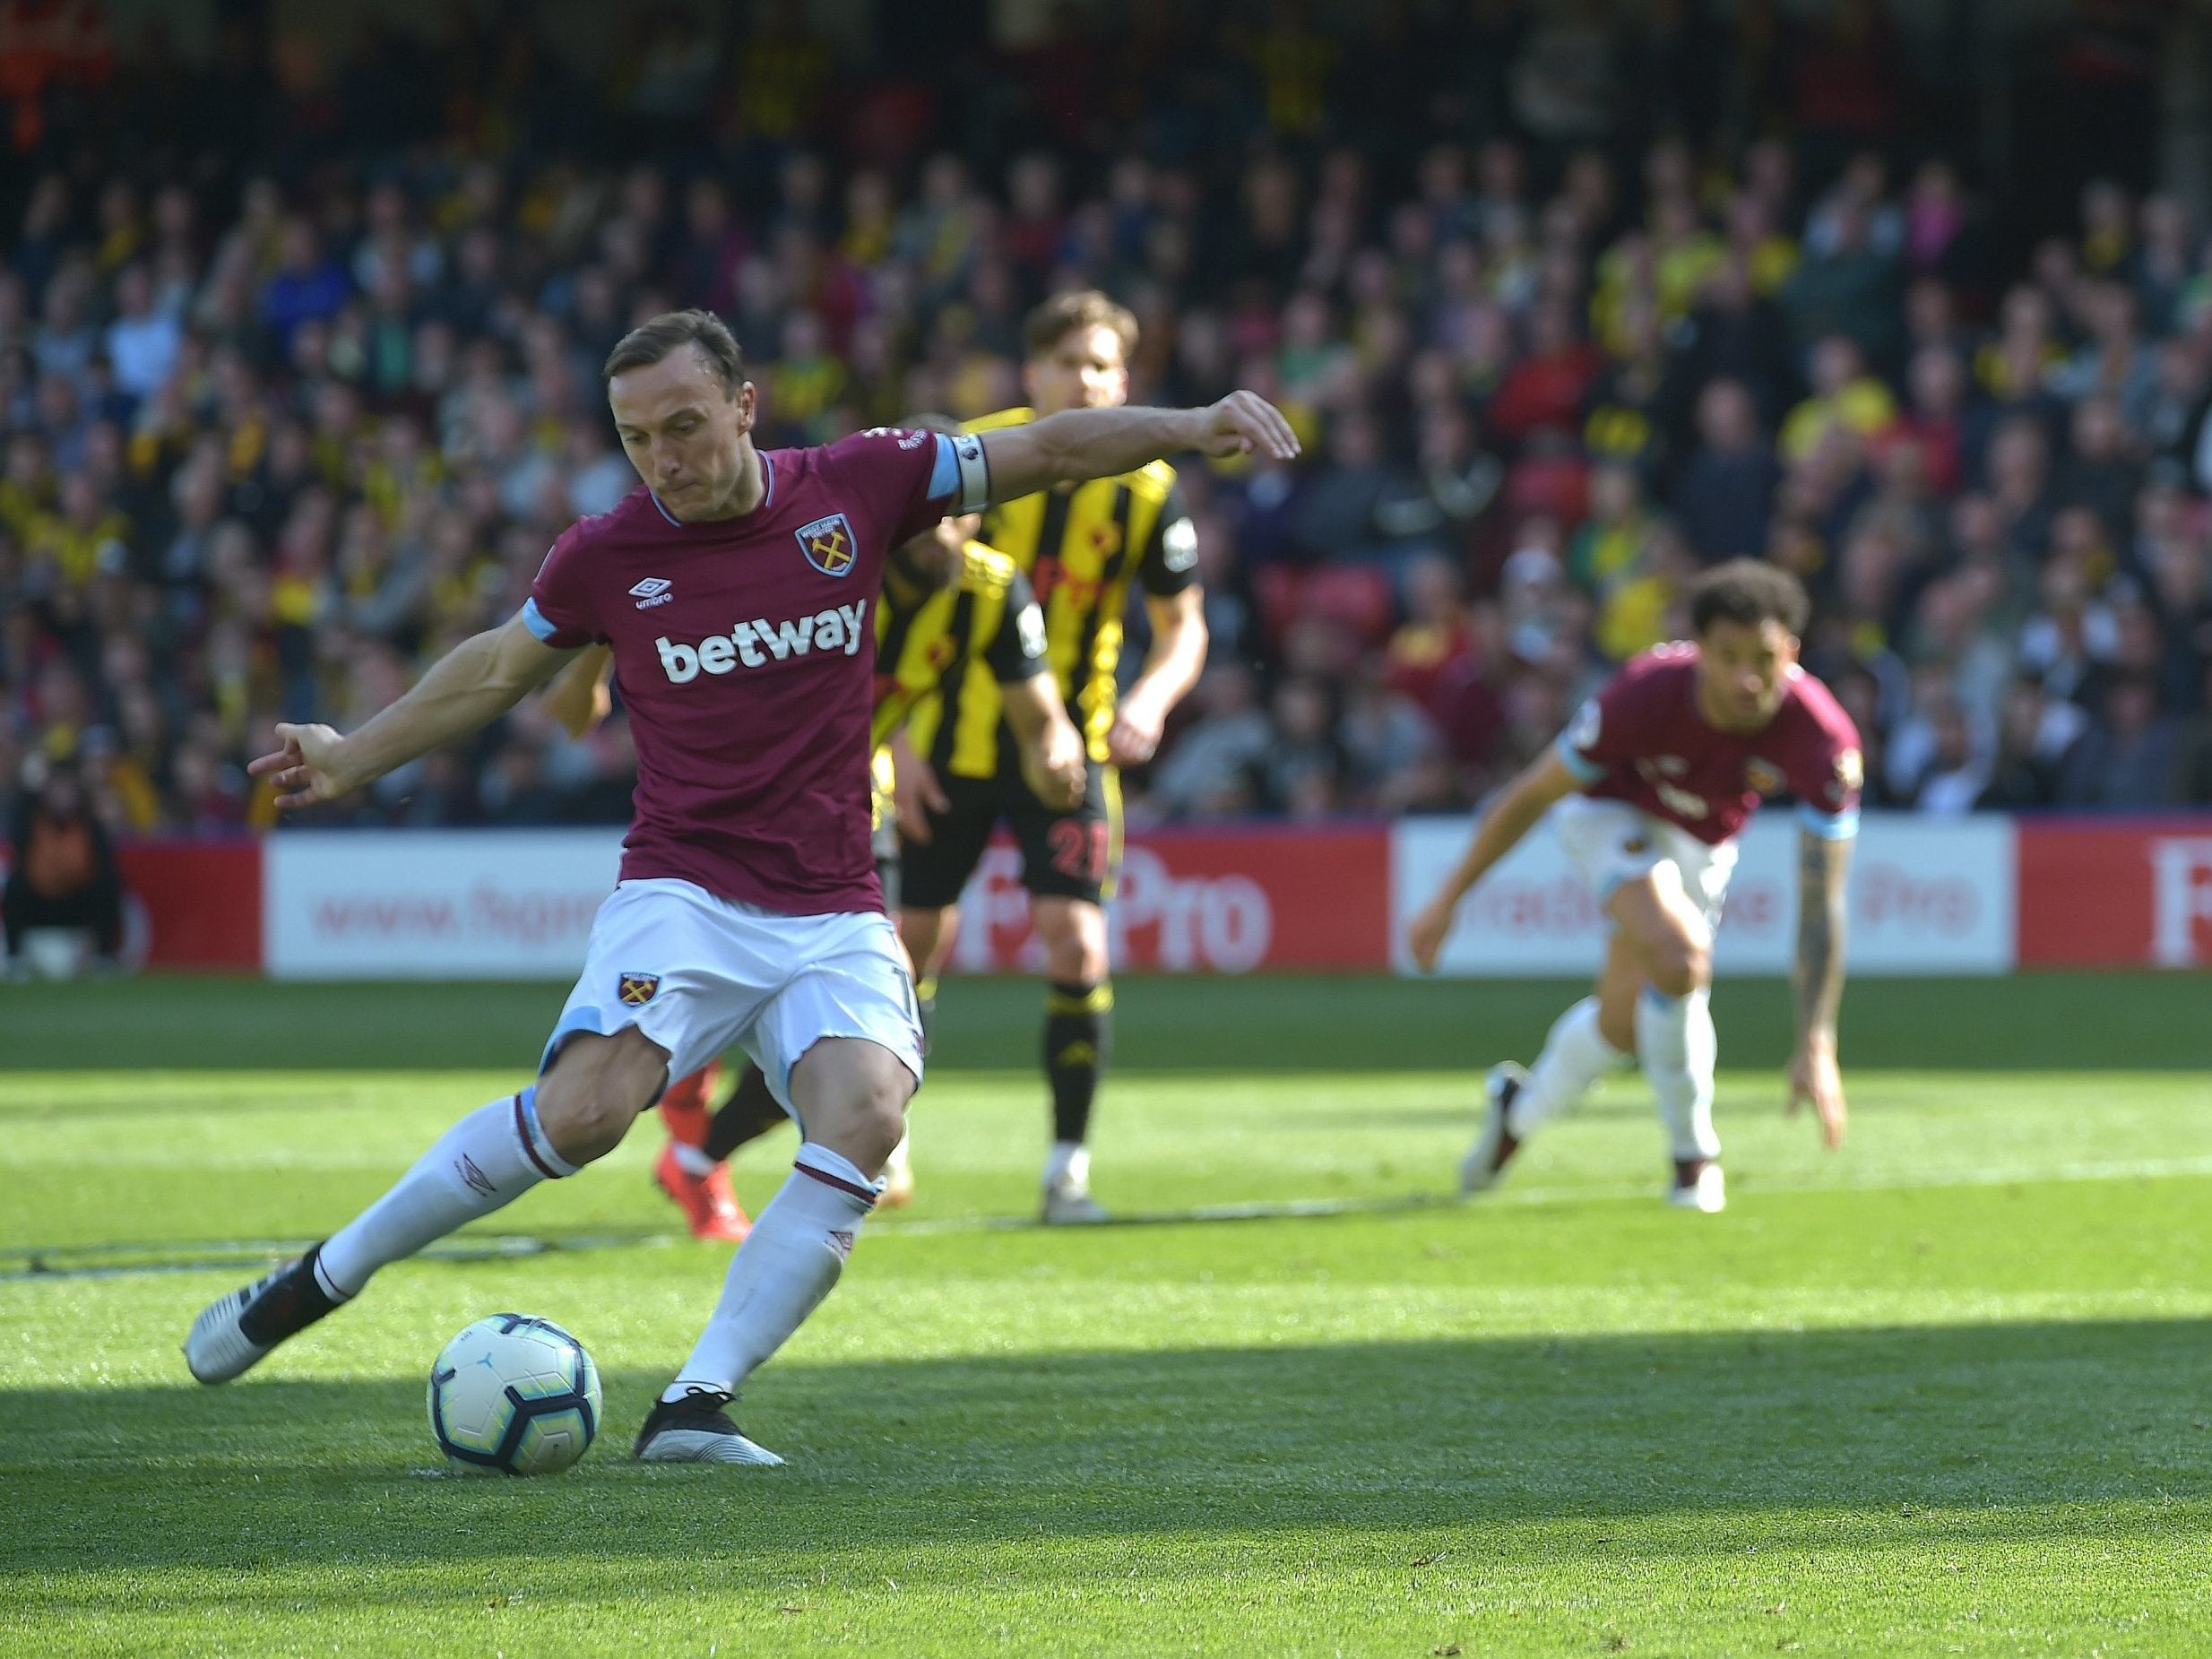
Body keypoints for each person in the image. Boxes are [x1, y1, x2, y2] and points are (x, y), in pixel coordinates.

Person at [181, 308, 1297, 1466]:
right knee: (586, 1110)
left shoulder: (862, 484)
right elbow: (501, 669)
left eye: (685, 425)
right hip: (687, 889)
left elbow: (1052, 449)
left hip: (833, 900)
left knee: (868, 1112)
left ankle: (695, 1403)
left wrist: (1195, 423)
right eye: (637, 437)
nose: (665, 458)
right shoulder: (607, 553)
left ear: (744, 405)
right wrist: (356, 751)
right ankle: (322, 1274)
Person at [543, 481, 1089, 1240]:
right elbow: (576, 713)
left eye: (956, 516)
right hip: (742, 812)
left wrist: (1055, 743)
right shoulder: (827, 569)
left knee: (852, 1021)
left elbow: (1033, 711)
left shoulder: (986, 588)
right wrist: (590, 657)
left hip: (852, 809)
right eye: (927, 516)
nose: (942, 534)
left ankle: (701, 1151)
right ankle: (700, 1078)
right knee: (790, 1009)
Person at [1405, 561, 1861, 1213]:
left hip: (1701, 840)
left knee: (1622, 1024)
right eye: (1726, 657)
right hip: (1609, 813)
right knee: (1679, 960)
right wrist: (1448, 899)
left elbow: (1823, 901)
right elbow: (1532, 793)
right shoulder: (1645, 692)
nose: (1745, 678)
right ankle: (1693, 1159)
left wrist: (1817, 1041)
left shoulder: (1824, 737)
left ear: (1791, 651)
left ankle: (1517, 1114)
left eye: (1762, 658)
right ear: (1698, 649)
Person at [899, 291, 1211, 1223]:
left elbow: (1181, 626)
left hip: (1064, 752)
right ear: (1031, 375)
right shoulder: (975, 462)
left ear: (1126, 380)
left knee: (1076, 940)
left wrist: (1149, 701)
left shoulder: (1146, 484)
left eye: (1104, 367)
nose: (1088, 381)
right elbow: (905, 600)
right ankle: (880, 1135)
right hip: (947, 744)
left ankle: (1066, 1167)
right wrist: (902, 741)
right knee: (910, 943)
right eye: (1070, 363)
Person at [3, 758, 126, 973]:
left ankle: (103, 956)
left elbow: (104, 863)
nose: (62, 795)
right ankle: (16, 958)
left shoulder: (89, 822)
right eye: (57, 788)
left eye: (68, 789)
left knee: (108, 884)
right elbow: (20, 856)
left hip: (77, 898)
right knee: (14, 887)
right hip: (39, 897)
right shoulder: (29, 816)